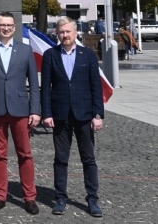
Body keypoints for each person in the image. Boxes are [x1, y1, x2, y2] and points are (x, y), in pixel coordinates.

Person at [0, 11, 41, 215]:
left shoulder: (25, 50)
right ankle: (0, 196)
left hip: (20, 109)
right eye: (2, 25)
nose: (6, 28)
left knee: (25, 153)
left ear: (14, 27)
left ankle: (30, 197)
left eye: (9, 25)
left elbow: (34, 84)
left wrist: (35, 110)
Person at [40, 17, 105, 217]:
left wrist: (98, 114)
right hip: (60, 115)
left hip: (84, 114)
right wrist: (46, 113)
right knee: (60, 159)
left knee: (88, 159)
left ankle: (92, 199)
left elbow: (96, 87)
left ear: (76, 33)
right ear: (57, 34)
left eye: (68, 31)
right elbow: (46, 88)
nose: (65, 35)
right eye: (61, 32)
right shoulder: (50, 55)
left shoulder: (88, 55)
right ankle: (60, 198)